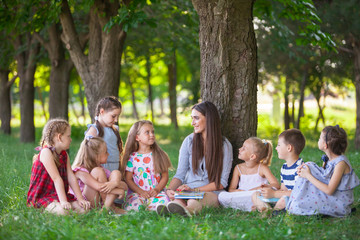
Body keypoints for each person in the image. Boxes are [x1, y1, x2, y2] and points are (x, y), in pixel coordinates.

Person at [162, 101, 233, 217]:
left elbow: (221, 182)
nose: (192, 123)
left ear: (209, 119)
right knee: (180, 200)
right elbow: (180, 174)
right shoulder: (189, 141)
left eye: (196, 118)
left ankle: (187, 210)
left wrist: (195, 190)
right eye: (192, 118)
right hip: (187, 189)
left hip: (211, 191)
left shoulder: (224, 146)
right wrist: (170, 189)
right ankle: (173, 207)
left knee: (194, 201)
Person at [287, 125, 360, 217]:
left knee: (308, 168)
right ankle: (295, 203)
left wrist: (308, 175)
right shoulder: (330, 160)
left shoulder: (340, 163)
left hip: (338, 203)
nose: (318, 140)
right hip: (331, 197)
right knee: (308, 166)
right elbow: (323, 177)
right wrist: (306, 172)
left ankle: (295, 204)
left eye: (319, 138)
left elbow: (329, 190)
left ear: (325, 145)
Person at [27, 119, 91, 215]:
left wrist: (80, 199)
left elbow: (71, 177)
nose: (71, 139)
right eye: (68, 136)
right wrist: (64, 201)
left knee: (84, 209)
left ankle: (69, 214)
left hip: (59, 194)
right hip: (43, 196)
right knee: (63, 211)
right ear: (59, 137)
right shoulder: (46, 152)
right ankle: (49, 211)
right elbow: (57, 179)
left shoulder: (64, 154)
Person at [121, 120, 172, 211]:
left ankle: (156, 208)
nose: (152, 134)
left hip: (156, 193)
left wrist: (157, 189)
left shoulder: (159, 155)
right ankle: (145, 207)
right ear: (137, 137)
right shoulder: (132, 158)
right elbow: (128, 179)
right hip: (138, 193)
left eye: (152, 132)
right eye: (147, 132)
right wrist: (140, 192)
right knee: (134, 206)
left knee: (164, 202)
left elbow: (165, 176)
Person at [218, 137, 280, 211]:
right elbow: (231, 190)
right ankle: (254, 206)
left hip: (257, 194)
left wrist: (266, 186)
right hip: (243, 196)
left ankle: (263, 208)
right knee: (221, 196)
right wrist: (242, 192)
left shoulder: (262, 168)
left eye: (243, 148)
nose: (239, 149)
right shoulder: (238, 168)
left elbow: (276, 185)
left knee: (257, 194)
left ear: (252, 156)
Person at [70, 136, 128, 214]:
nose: (108, 154)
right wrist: (118, 190)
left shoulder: (102, 169)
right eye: (105, 152)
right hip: (86, 204)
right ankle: (110, 208)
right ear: (96, 156)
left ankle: (107, 208)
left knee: (115, 172)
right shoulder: (80, 172)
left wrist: (114, 183)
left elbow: (125, 186)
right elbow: (99, 187)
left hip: (98, 200)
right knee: (97, 171)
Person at [252, 128, 305, 212]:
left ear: (289, 148)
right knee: (256, 194)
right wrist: (269, 188)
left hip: (294, 200)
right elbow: (283, 189)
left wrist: (274, 194)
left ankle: (270, 212)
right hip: (284, 197)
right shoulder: (284, 167)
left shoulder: (300, 168)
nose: (276, 148)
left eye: (279, 145)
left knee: (283, 200)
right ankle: (266, 208)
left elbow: (297, 193)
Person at [85, 96, 123, 172]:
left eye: (118, 116)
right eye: (113, 116)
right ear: (102, 112)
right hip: (103, 168)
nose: (116, 120)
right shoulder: (94, 129)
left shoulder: (114, 129)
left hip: (116, 166)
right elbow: (87, 150)